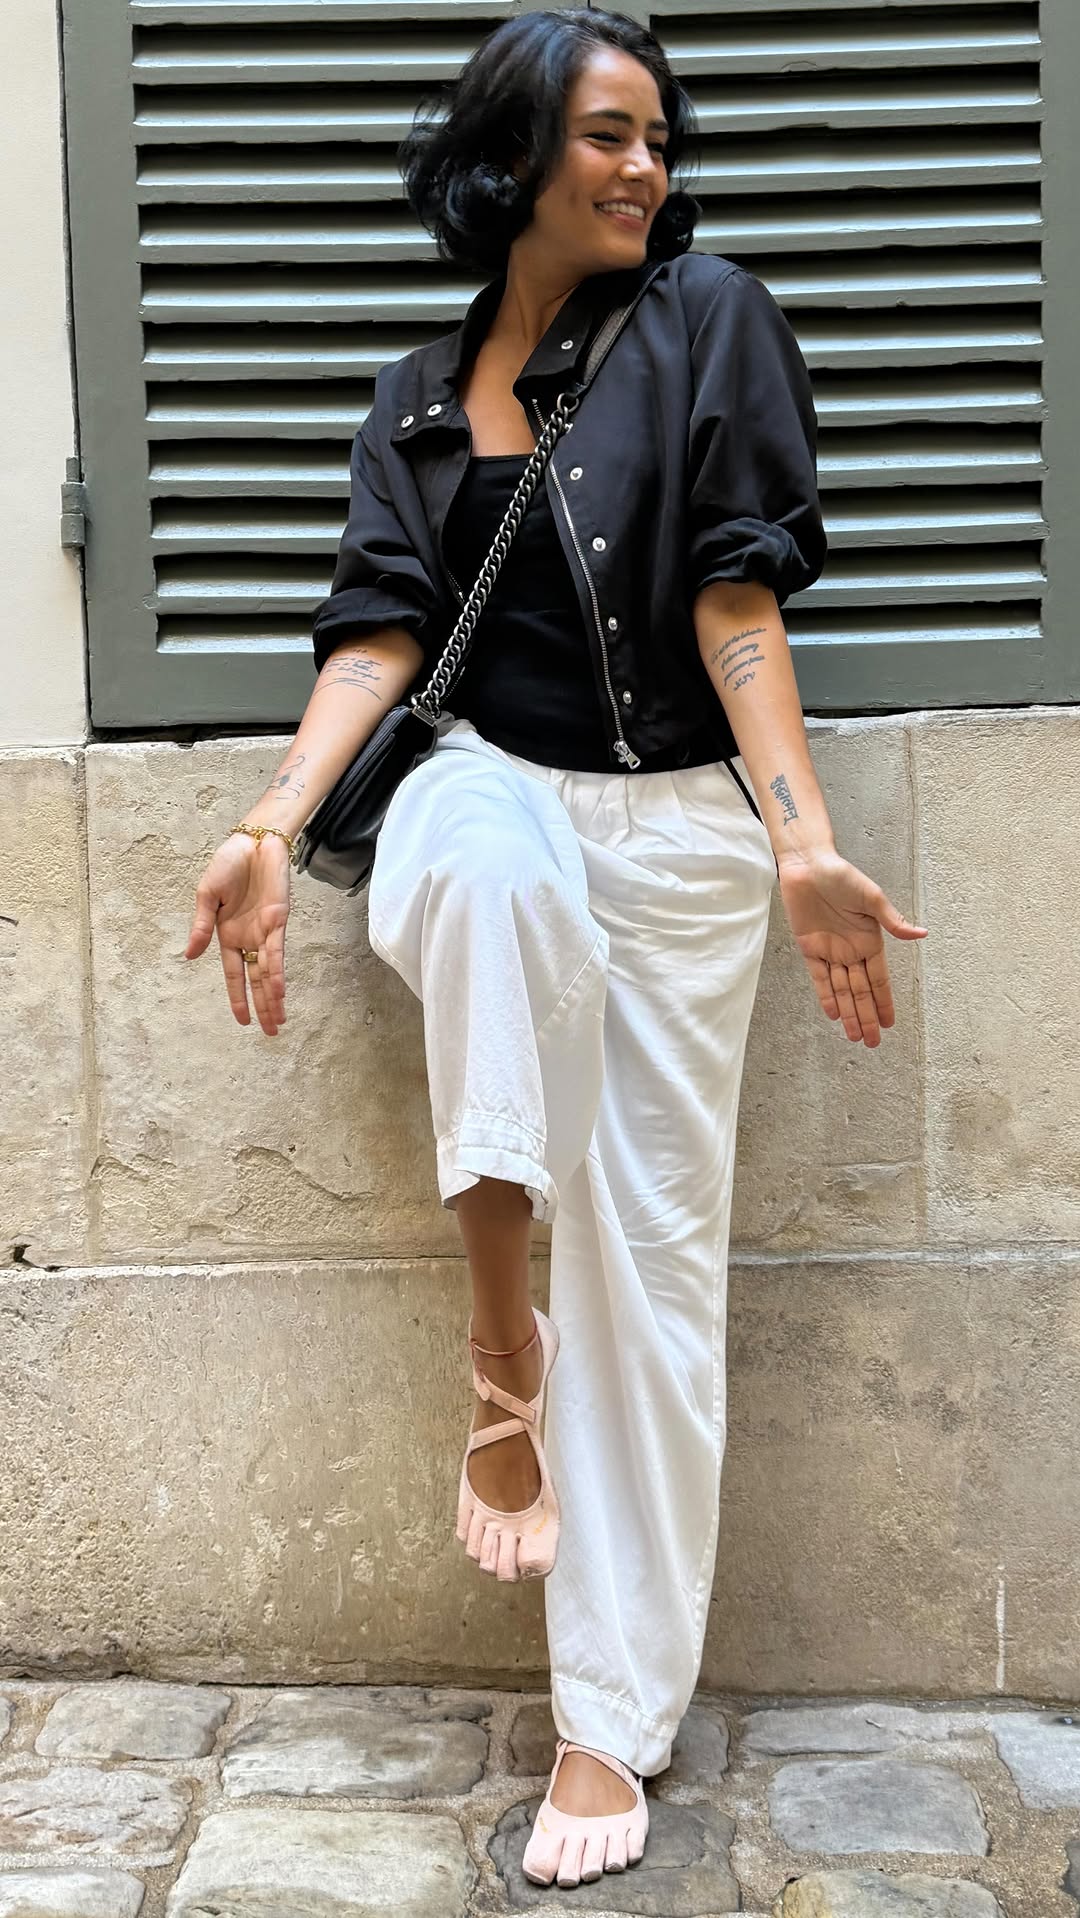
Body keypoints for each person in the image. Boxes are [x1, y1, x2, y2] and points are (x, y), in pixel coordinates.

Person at [185, 6, 928, 1889]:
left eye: (661, 139)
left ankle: (608, 1720)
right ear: (512, 155)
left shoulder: (710, 321)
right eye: (608, 133)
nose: (645, 167)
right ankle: (501, 1359)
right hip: (482, 788)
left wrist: (801, 837)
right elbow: (377, 637)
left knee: (657, 1274)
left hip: (675, 828)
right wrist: (271, 821)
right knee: (499, 879)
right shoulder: (417, 400)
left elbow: (736, 594)